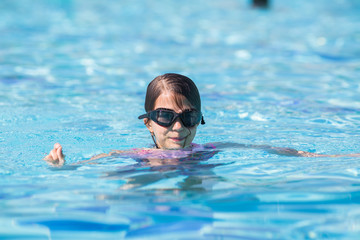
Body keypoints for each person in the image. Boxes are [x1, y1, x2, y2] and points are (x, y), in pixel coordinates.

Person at [44, 73, 359, 166]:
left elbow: (272, 150)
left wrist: (331, 156)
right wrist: (61, 167)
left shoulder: (208, 150)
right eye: (166, 117)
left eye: (188, 116)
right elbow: (87, 168)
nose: (179, 127)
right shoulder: (134, 157)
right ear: (148, 122)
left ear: (200, 119)